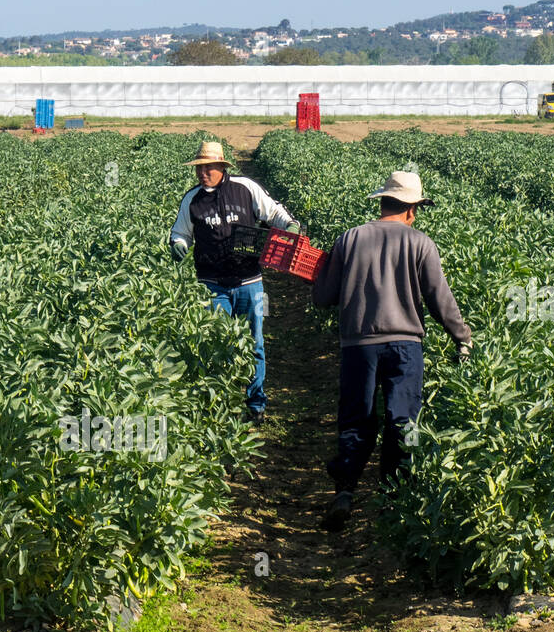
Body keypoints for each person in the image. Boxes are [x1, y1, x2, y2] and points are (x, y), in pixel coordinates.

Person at [311, 170, 473, 531]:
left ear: (382, 202)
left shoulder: (349, 239)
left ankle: (345, 491)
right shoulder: (421, 243)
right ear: (412, 209)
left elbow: (324, 297)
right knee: (404, 421)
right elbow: (439, 299)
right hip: (405, 346)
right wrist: (461, 336)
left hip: (358, 345)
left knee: (356, 418)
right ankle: (395, 499)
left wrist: (320, 273)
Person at [168, 140, 300, 425]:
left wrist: (289, 225)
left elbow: (274, 212)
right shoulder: (192, 199)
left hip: (249, 282)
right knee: (215, 343)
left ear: (222, 167)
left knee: (255, 341)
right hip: (211, 284)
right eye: (199, 168)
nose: (203, 173)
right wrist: (177, 244)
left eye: (208, 167)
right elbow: (180, 233)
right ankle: (220, 404)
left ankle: (255, 404)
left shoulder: (245, 188)